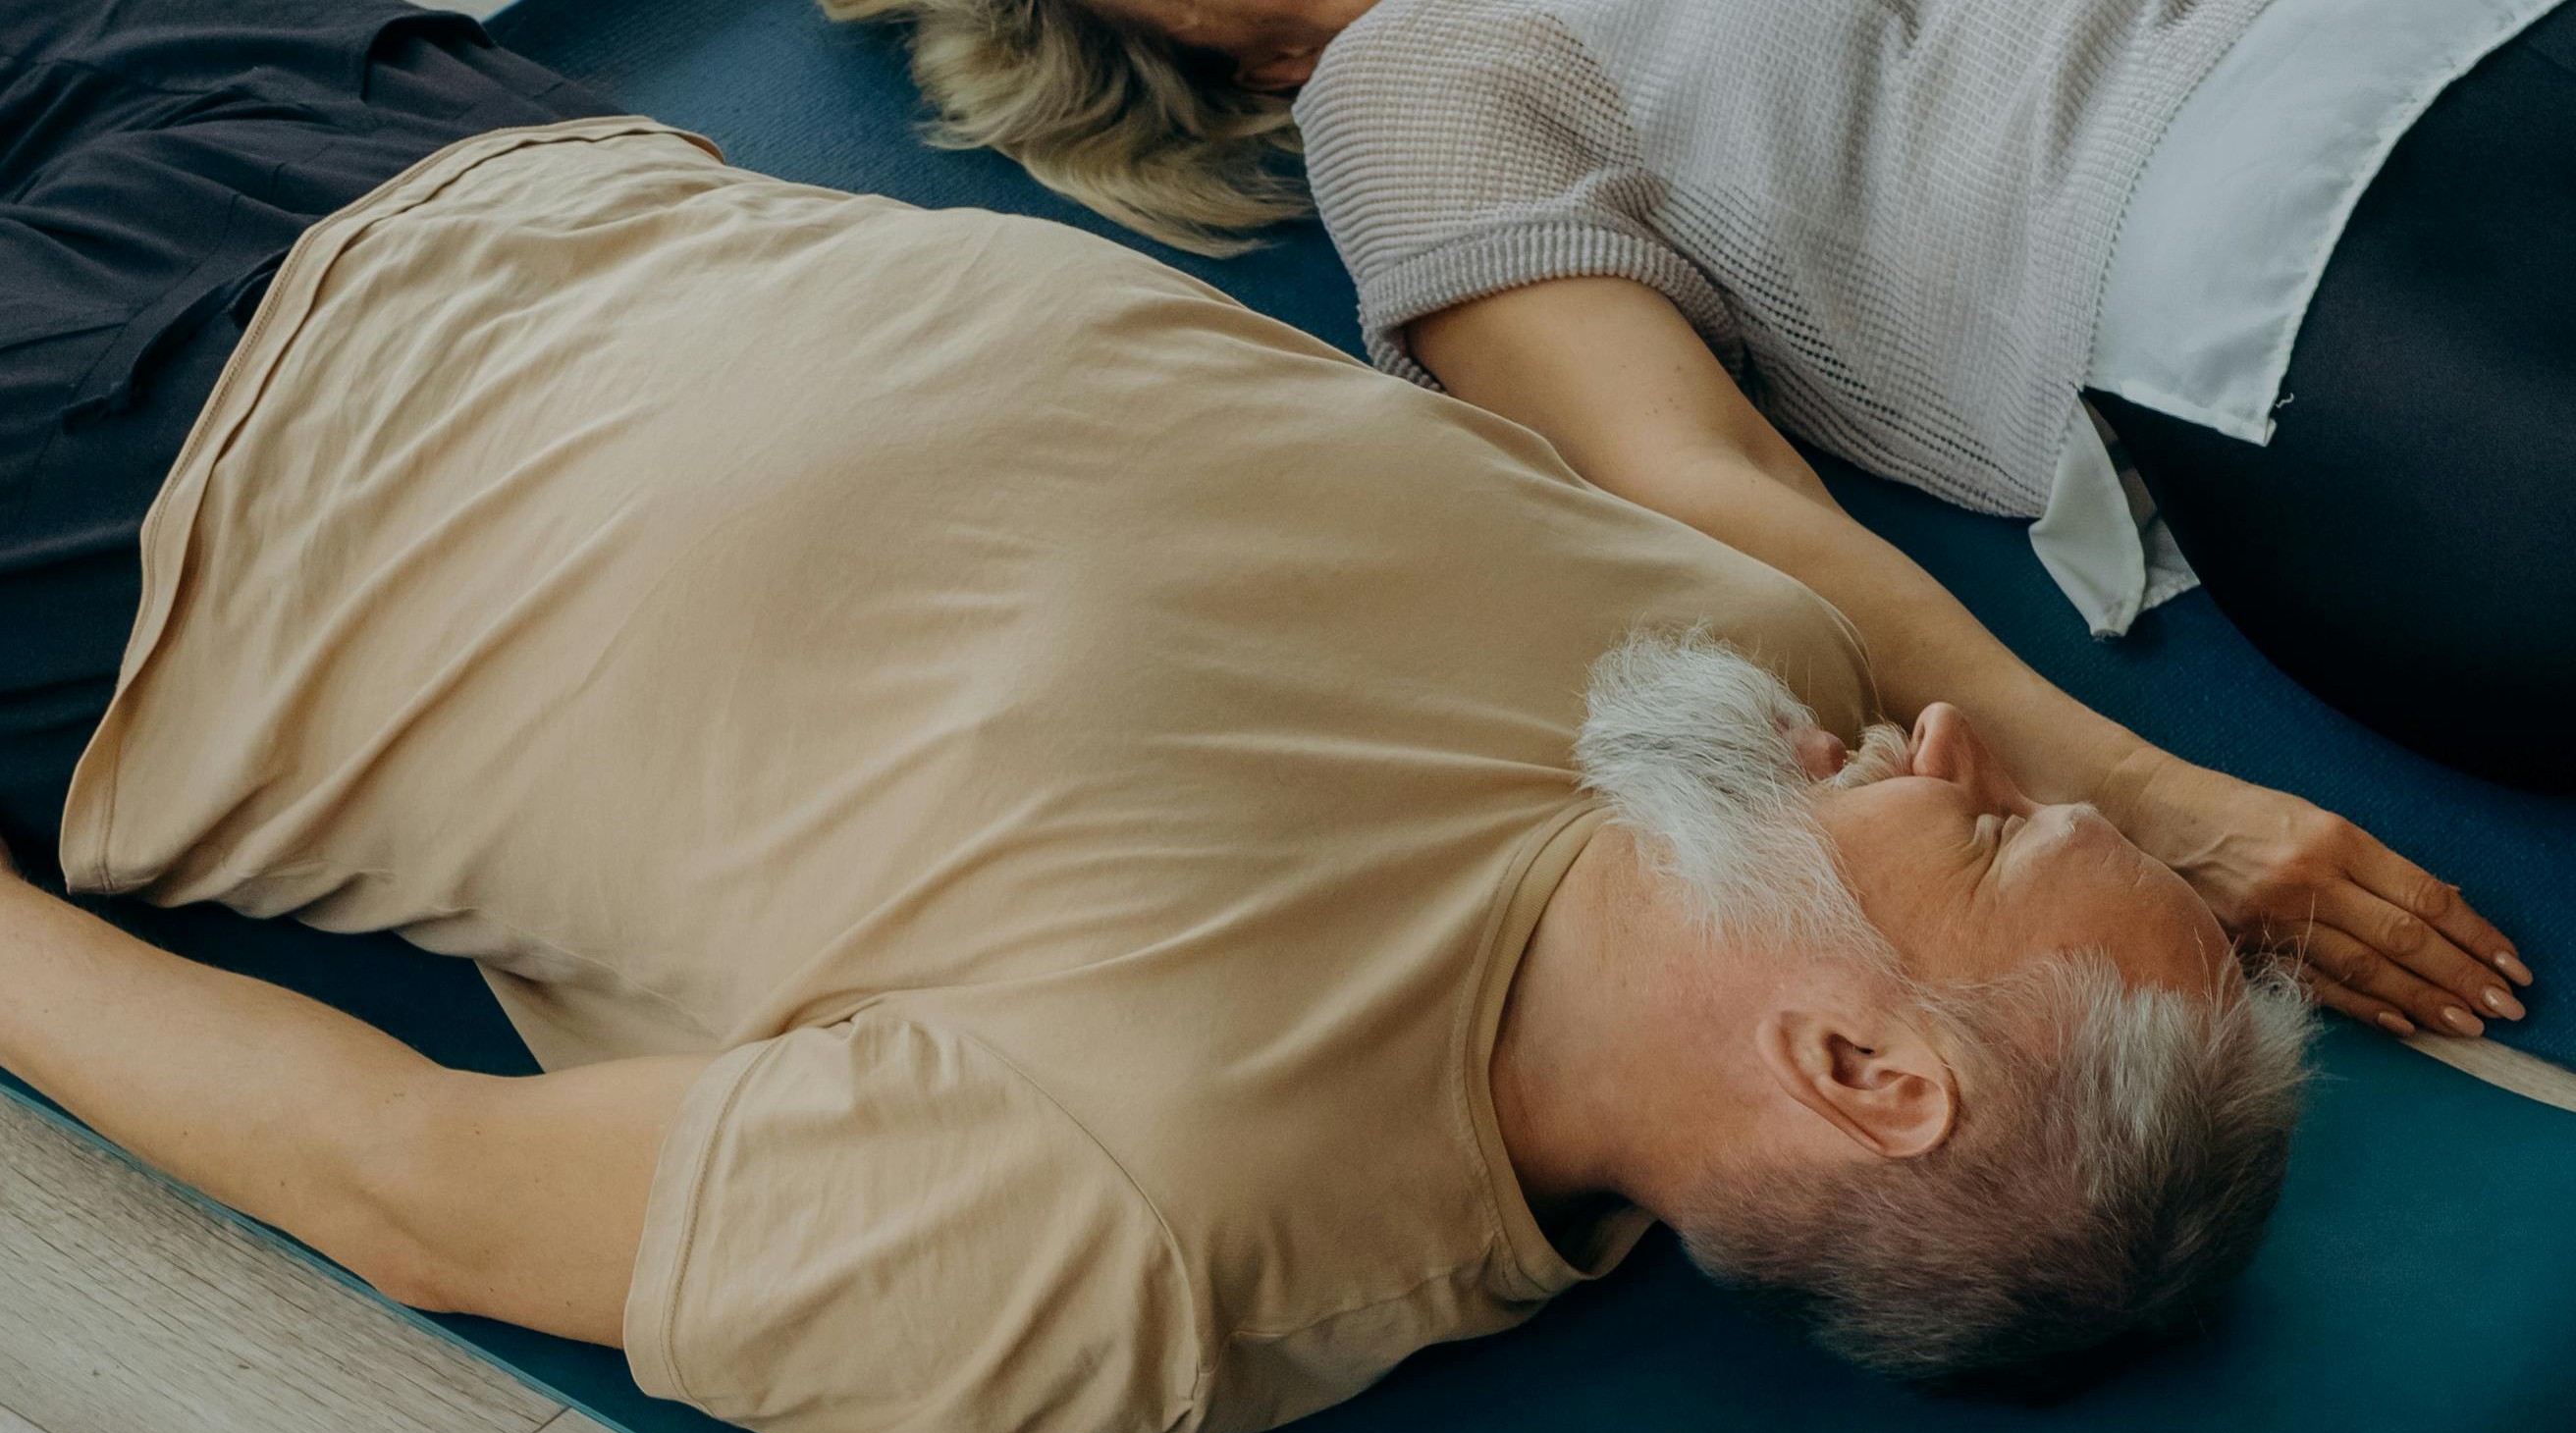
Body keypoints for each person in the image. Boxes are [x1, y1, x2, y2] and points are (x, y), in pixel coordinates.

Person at [1, 0, 2322, 1433]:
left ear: (1856, 1068)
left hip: (144, 514)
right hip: (473, 155)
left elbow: (413, 1180)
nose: (1951, 743)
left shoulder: (1156, 1223)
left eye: (2000, 838)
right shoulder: (1745, 675)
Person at [837, 0, 2576, 853]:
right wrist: (2145, 797)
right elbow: (1691, 482)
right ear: (1215, 50)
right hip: (2269, 274)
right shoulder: (1407, 83)